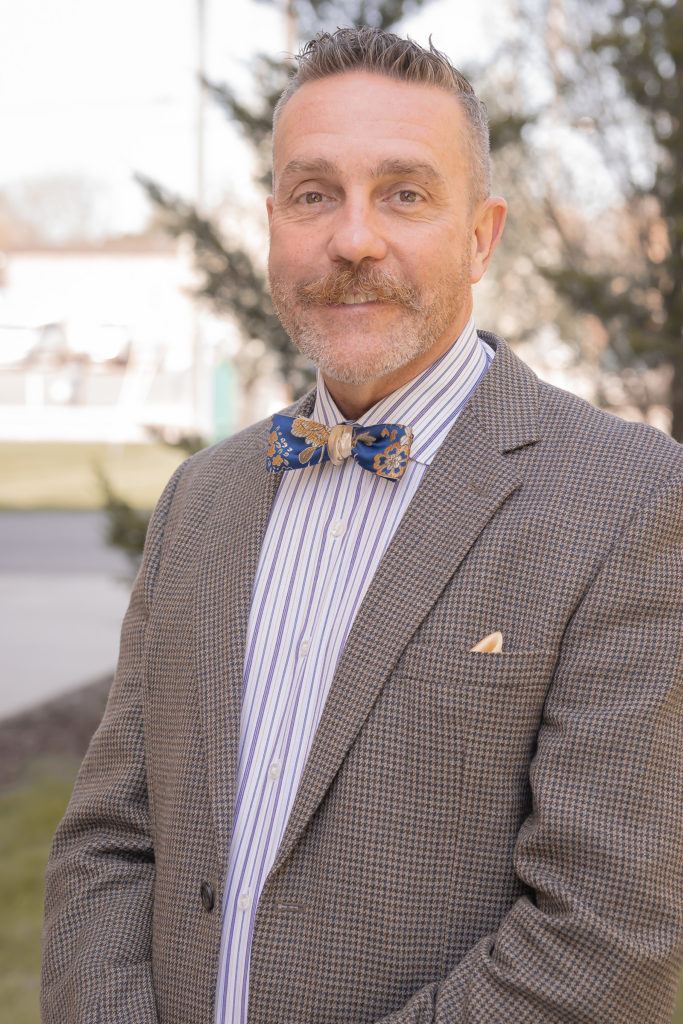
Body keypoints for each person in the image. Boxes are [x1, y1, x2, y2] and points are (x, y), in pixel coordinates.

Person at [41, 27, 683, 1024]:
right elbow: (107, 846)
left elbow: (603, 941)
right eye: (312, 195)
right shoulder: (200, 502)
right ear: (271, 226)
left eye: (402, 193)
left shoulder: (624, 499)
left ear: (480, 235)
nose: (351, 239)